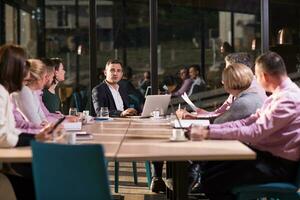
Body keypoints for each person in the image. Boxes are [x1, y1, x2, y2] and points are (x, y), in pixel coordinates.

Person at [189, 51, 300, 200]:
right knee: (210, 169)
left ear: (264, 76)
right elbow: (248, 121)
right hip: (267, 157)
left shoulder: (288, 99)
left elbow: (254, 132)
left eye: (256, 76)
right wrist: (208, 129)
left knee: (211, 180)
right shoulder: (278, 95)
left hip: (279, 166)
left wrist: (208, 133)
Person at [0, 44, 53, 199]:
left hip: (7, 160)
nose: (28, 74)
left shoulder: (5, 91)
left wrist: (36, 138)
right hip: (5, 165)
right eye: (24, 66)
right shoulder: (2, 93)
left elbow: (10, 131)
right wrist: (33, 140)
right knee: (43, 176)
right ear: (14, 69)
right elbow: (3, 136)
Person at [178, 52, 267, 119]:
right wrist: (200, 113)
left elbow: (223, 118)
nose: (224, 71)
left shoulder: (250, 92)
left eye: (227, 68)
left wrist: (196, 117)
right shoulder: (238, 87)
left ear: (238, 70)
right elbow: (220, 112)